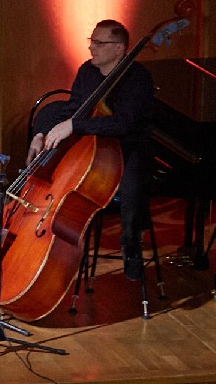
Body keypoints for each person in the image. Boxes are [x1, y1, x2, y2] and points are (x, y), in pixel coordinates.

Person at [28, 18, 154, 280]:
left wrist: (75, 125)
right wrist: (42, 133)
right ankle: (65, 247)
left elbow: (122, 123)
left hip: (128, 149)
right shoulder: (87, 71)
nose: (91, 47)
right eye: (91, 41)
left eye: (99, 43)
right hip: (91, 150)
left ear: (119, 48)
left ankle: (131, 245)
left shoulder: (138, 77)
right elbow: (71, 108)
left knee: (131, 193)